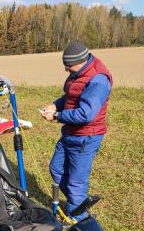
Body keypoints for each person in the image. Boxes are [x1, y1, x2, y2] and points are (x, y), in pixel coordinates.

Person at [41, 41, 113, 221]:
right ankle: (78, 205)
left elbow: (86, 114)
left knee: (76, 182)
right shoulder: (79, 73)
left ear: (81, 61)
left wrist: (57, 115)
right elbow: (71, 96)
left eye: (68, 65)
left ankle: (77, 220)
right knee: (56, 169)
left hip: (86, 138)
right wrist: (55, 105)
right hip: (70, 134)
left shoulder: (98, 79)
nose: (66, 69)